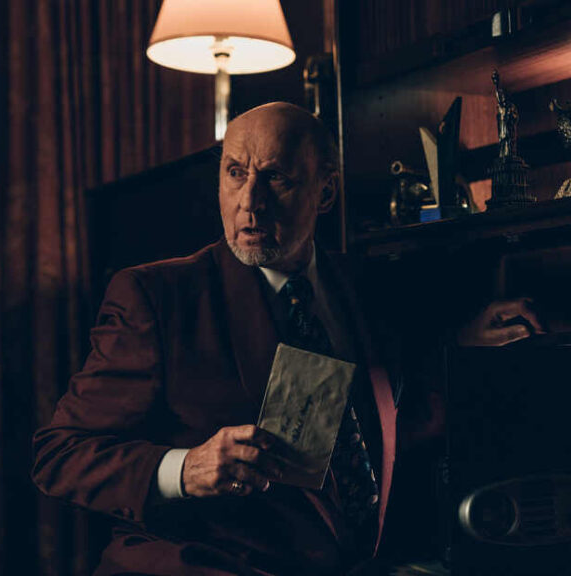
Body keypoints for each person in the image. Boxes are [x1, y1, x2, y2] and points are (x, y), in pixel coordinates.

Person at [32, 102, 542, 575]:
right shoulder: (155, 296)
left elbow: (376, 423)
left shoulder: (362, 286)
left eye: (275, 177)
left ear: (326, 193)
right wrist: (184, 469)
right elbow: (60, 455)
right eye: (235, 173)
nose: (249, 202)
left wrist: (465, 347)